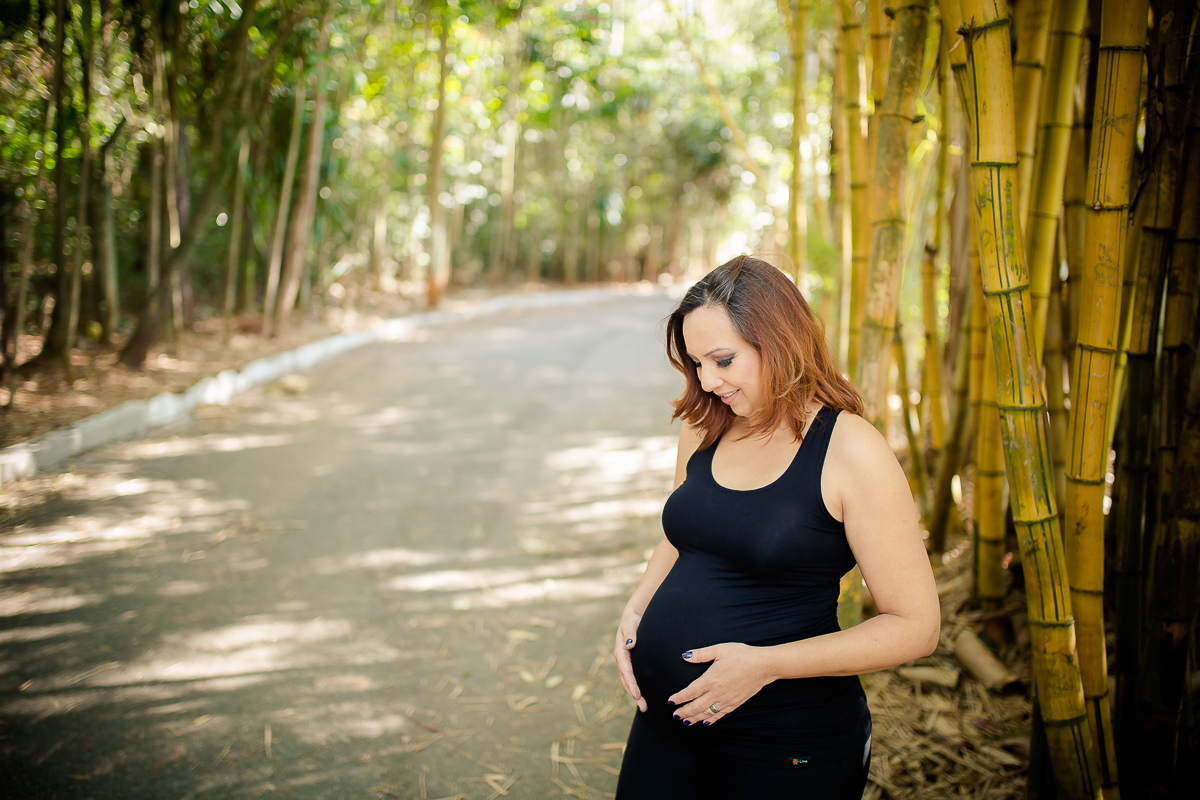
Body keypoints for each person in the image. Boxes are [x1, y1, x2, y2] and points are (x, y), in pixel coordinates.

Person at [612, 255, 940, 799]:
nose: (708, 381)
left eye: (723, 359)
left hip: (784, 743)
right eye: (696, 364)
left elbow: (916, 627)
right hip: (665, 727)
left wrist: (767, 665)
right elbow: (682, 536)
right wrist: (638, 607)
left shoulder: (850, 450)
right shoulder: (705, 429)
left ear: (780, 340)